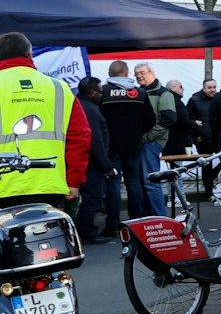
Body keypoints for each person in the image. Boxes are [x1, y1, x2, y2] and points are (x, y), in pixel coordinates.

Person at [0, 31, 91, 212]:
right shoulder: (60, 88)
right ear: (29, 54)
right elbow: (80, 136)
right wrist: (73, 181)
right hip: (50, 185)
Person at [99, 60, 157, 219]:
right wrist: (137, 133)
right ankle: (137, 220)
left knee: (113, 183)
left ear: (110, 74)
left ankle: (112, 224)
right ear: (126, 73)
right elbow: (151, 120)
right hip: (133, 145)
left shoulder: (103, 93)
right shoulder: (140, 93)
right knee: (134, 183)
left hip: (110, 146)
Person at [73, 77, 118, 241]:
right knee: (92, 197)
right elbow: (95, 140)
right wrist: (106, 164)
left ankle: (82, 229)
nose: (102, 95)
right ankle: (86, 231)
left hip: (86, 160)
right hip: (91, 162)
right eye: (100, 91)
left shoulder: (81, 105)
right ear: (92, 92)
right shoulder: (90, 110)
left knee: (89, 197)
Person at [134, 63, 176, 213]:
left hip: (151, 142)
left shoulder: (163, 94)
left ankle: (160, 218)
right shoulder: (140, 92)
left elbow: (169, 119)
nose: (139, 75)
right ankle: (150, 218)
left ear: (152, 72)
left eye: (142, 72)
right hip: (144, 142)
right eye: (136, 73)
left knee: (151, 182)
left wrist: (147, 137)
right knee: (143, 181)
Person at [187, 78, 221, 154]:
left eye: (214, 87)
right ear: (203, 88)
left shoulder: (219, 99)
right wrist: (196, 136)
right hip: (203, 140)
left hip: (218, 138)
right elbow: (189, 119)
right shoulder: (194, 101)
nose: (213, 90)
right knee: (206, 164)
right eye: (209, 88)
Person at [163, 79, 197, 157]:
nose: (183, 89)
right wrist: (194, 123)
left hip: (168, 141)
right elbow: (183, 121)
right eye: (180, 87)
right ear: (173, 88)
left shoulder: (166, 100)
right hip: (178, 141)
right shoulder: (177, 103)